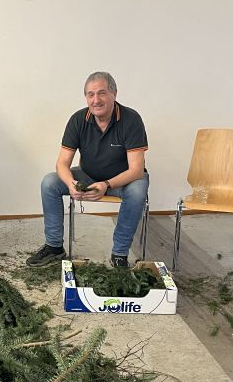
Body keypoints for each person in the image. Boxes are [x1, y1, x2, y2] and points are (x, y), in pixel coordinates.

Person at [26, 71, 149, 268]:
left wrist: (106, 184)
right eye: (90, 94)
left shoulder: (131, 119)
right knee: (49, 182)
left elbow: (136, 170)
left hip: (123, 181)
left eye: (102, 93)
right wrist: (71, 183)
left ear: (114, 93)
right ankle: (54, 247)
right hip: (88, 176)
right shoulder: (78, 119)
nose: (96, 100)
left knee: (137, 190)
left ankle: (119, 254)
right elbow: (62, 164)